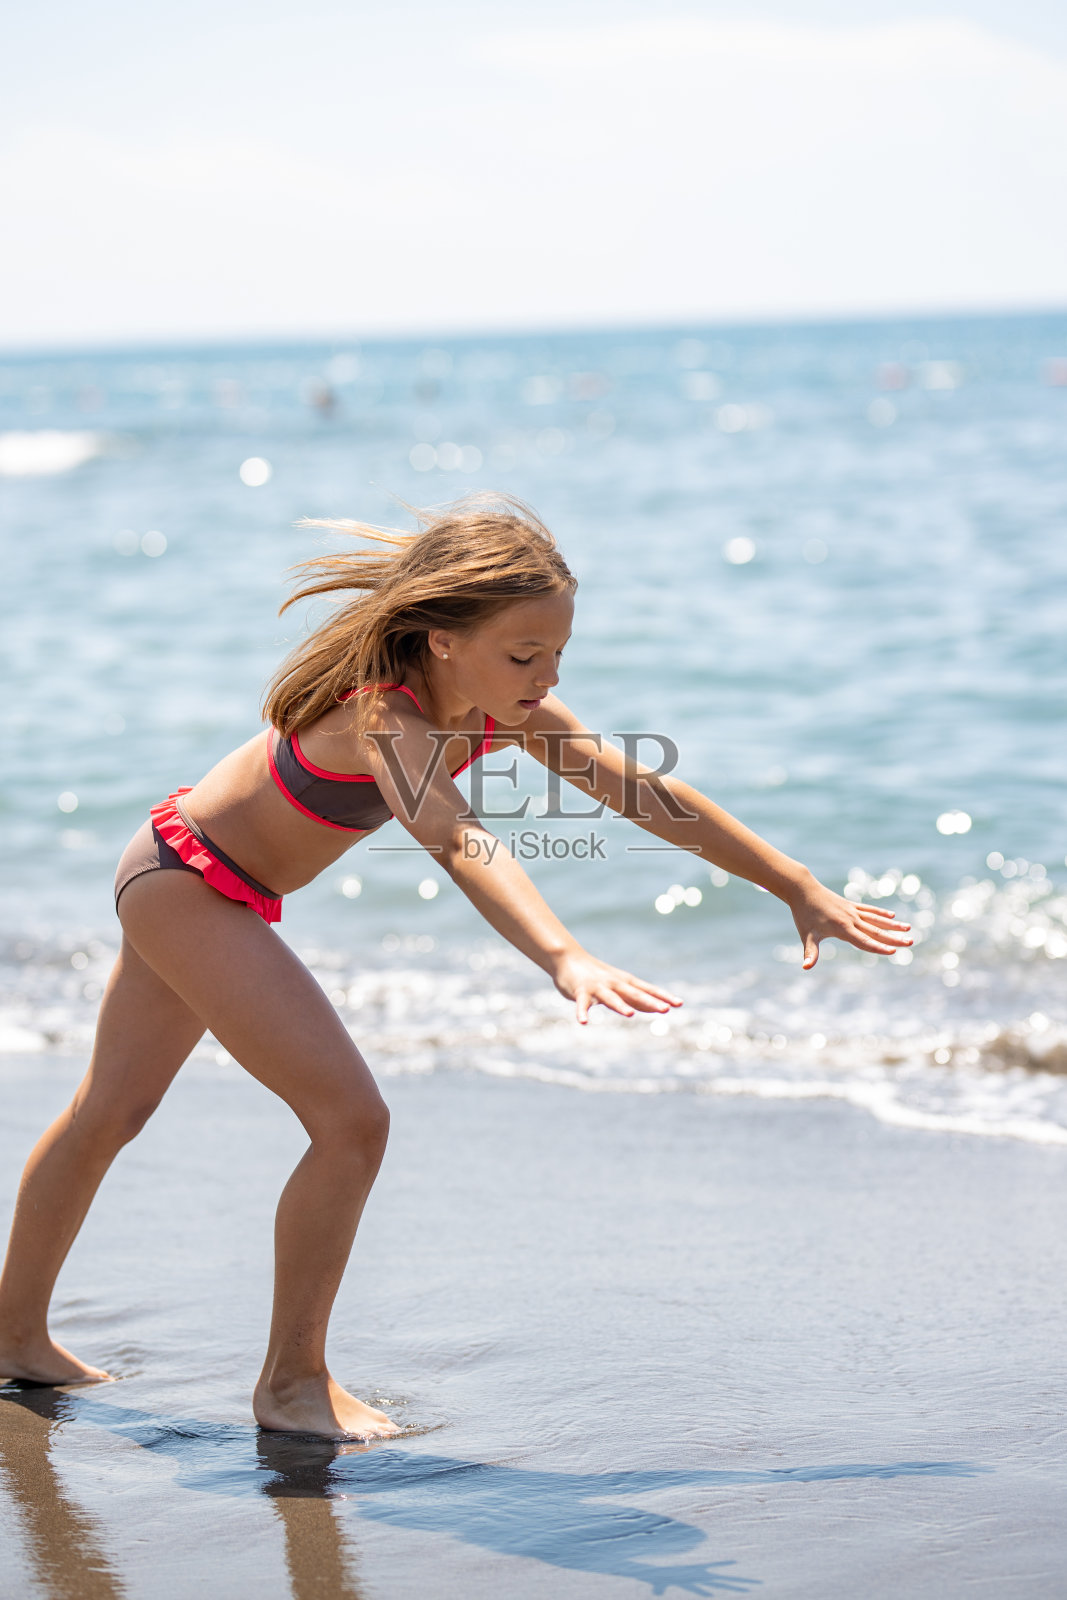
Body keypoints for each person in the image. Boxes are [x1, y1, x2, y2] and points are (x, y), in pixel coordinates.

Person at [0, 496, 911, 1440]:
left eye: (558, 653)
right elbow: (455, 837)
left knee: (112, 1109)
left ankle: (12, 1339)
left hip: (186, 874)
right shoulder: (380, 715)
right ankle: (288, 1385)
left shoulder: (498, 707)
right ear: (440, 640)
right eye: (524, 655)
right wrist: (561, 953)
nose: (546, 675)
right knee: (348, 1123)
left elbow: (641, 792)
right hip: (187, 884)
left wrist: (794, 884)